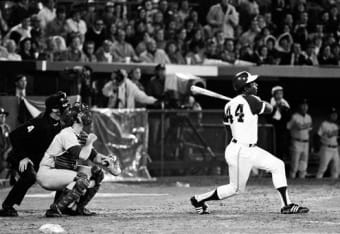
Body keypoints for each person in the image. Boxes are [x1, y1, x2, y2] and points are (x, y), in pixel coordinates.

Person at [190, 71, 309, 215]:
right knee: (236, 189)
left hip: (246, 148)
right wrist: (262, 102)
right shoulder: (252, 100)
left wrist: (228, 150)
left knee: (278, 165)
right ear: (245, 88)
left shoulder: (229, 105)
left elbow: (228, 131)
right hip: (241, 151)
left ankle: (287, 205)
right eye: (252, 84)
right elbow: (270, 109)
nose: (256, 85)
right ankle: (198, 199)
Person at [37, 102, 121, 217]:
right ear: (75, 117)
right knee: (82, 179)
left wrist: (108, 162)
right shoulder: (67, 133)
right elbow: (82, 155)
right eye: (82, 113)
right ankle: (55, 209)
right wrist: (90, 142)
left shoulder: (81, 135)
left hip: (62, 170)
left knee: (97, 173)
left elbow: (94, 157)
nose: (86, 114)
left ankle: (77, 208)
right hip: (48, 172)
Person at [0, 91, 69, 217]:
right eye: (62, 107)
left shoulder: (60, 126)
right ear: (54, 109)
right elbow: (14, 135)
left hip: (38, 159)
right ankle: (7, 207)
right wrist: (23, 157)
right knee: (29, 176)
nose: (65, 110)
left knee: (65, 172)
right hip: (20, 156)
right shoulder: (39, 123)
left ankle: (57, 208)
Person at [286, 99, 312, 179]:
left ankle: (302, 183)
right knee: (295, 164)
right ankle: (292, 182)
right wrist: (295, 126)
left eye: (306, 105)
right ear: (299, 106)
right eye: (303, 105)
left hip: (306, 142)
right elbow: (287, 127)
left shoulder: (309, 117)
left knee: (303, 164)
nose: (304, 107)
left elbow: (309, 130)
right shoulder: (295, 116)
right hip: (296, 142)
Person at [315, 107, 339, 179]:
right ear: (329, 115)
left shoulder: (336, 126)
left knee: (336, 169)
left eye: (335, 114)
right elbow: (317, 136)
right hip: (326, 148)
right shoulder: (324, 124)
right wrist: (317, 147)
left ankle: (332, 188)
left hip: (335, 149)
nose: (334, 116)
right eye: (333, 114)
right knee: (322, 168)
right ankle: (316, 186)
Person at [269, 86, 291, 160]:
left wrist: (282, 109)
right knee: (272, 148)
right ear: (274, 94)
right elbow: (268, 117)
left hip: (282, 130)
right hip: (272, 130)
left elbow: (288, 117)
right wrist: (275, 107)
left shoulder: (285, 104)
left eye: (281, 93)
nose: (279, 95)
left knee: (281, 149)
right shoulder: (270, 104)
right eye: (277, 93)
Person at [0, 108, 11, 178]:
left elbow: (10, 143)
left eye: (4, 116)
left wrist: (7, 152)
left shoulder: (7, 128)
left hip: (5, 151)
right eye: (1, 116)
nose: (3, 118)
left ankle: (13, 177)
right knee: (2, 164)